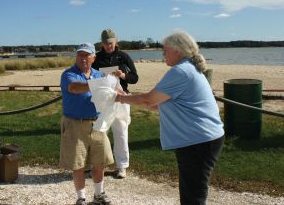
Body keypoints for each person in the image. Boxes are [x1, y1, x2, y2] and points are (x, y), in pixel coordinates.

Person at [115, 31, 224, 205]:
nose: (163, 53)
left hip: (198, 141)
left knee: (193, 197)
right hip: (201, 139)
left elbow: (148, 99)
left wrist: (119, 98)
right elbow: (155, 103)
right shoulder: (188, 68)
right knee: (191, 192)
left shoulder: (181, 71)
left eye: (165, 49)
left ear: (177, 50)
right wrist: (127, 96)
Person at [60, 42, 114, 205]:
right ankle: (81, 198)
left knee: (100, 161)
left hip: (98, 124)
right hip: (75, 125)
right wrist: (101, 84)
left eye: (87, 55)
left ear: (93, 58)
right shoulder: (68, 74)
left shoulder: (99, 75)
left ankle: (99, 195)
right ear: (76, 57)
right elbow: (74, 88)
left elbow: (111, 91)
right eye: (80, 55)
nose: (83, 58)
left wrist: (119, 91)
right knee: (78, 164)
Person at [92, 28, 138, 179]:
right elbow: (91, 76)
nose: (108, 46)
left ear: (115, 41)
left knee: (121, 133)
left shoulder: (123, 56)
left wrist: (123, 75)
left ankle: (121, 166)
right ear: (102, 43)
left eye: (110, 43)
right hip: (104, 100)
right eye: (105, 43)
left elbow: (135, 78)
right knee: (100, 133)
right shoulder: (97, 58)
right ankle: (99, 165)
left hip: (121, 98)